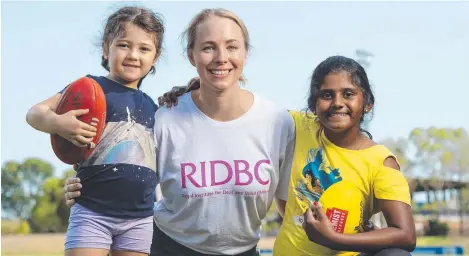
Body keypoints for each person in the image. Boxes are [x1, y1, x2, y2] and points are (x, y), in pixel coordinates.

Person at [64, 7, 295, 256]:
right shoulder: (165, 119)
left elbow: (290, 212)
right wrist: (87, 187)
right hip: (168, 247)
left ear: (246, 53)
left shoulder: (278, 122)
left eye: (232, 46)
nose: (221, 57)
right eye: (208, 47)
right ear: (191, 56)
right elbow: (126, 175)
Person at [157, 56, 416, 256]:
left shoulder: (381, 162)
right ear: (314, 104)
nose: (337, 102)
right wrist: (191, 93)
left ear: (367, 103)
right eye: (327, 95)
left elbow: (406, 235)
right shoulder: (297, 126)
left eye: (348, 94)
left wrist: (334, 238)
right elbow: (238, 105)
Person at [26, 6, 164, 256]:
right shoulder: (90, 89)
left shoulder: (154, 107)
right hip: (92, 211)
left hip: (140, 219)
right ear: (105, 48)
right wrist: (59, 123)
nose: (133, 54)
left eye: (144, 48)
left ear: (155, 57)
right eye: (123, 45)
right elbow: (34, 114)